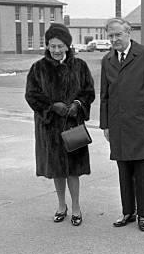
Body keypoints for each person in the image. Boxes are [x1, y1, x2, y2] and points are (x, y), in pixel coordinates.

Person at [100, 18, 144, 232]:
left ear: (128, 32)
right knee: (123, 171)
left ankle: (143, 214)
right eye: (110, 36)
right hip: (118, 126)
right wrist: (105, 125)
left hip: (141, 125)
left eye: (118, 34)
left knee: (142, 171)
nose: (114, 39)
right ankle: (128, 211)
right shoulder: (107, 60)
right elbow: (105, 96)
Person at [25, 23, 95, 226]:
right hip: (49, 128)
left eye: (60, 46)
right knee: (57, 169)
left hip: (73, 126)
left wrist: (77, 104)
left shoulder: (80, 66)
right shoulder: (38, 68)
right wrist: (50, 107)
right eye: (52, 46)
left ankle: (76, 207)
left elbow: (88, 92)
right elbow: (31, 95)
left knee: (73, 169)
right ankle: (61, 206)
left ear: (67, 46)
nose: (56, 50)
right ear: (47, 46)